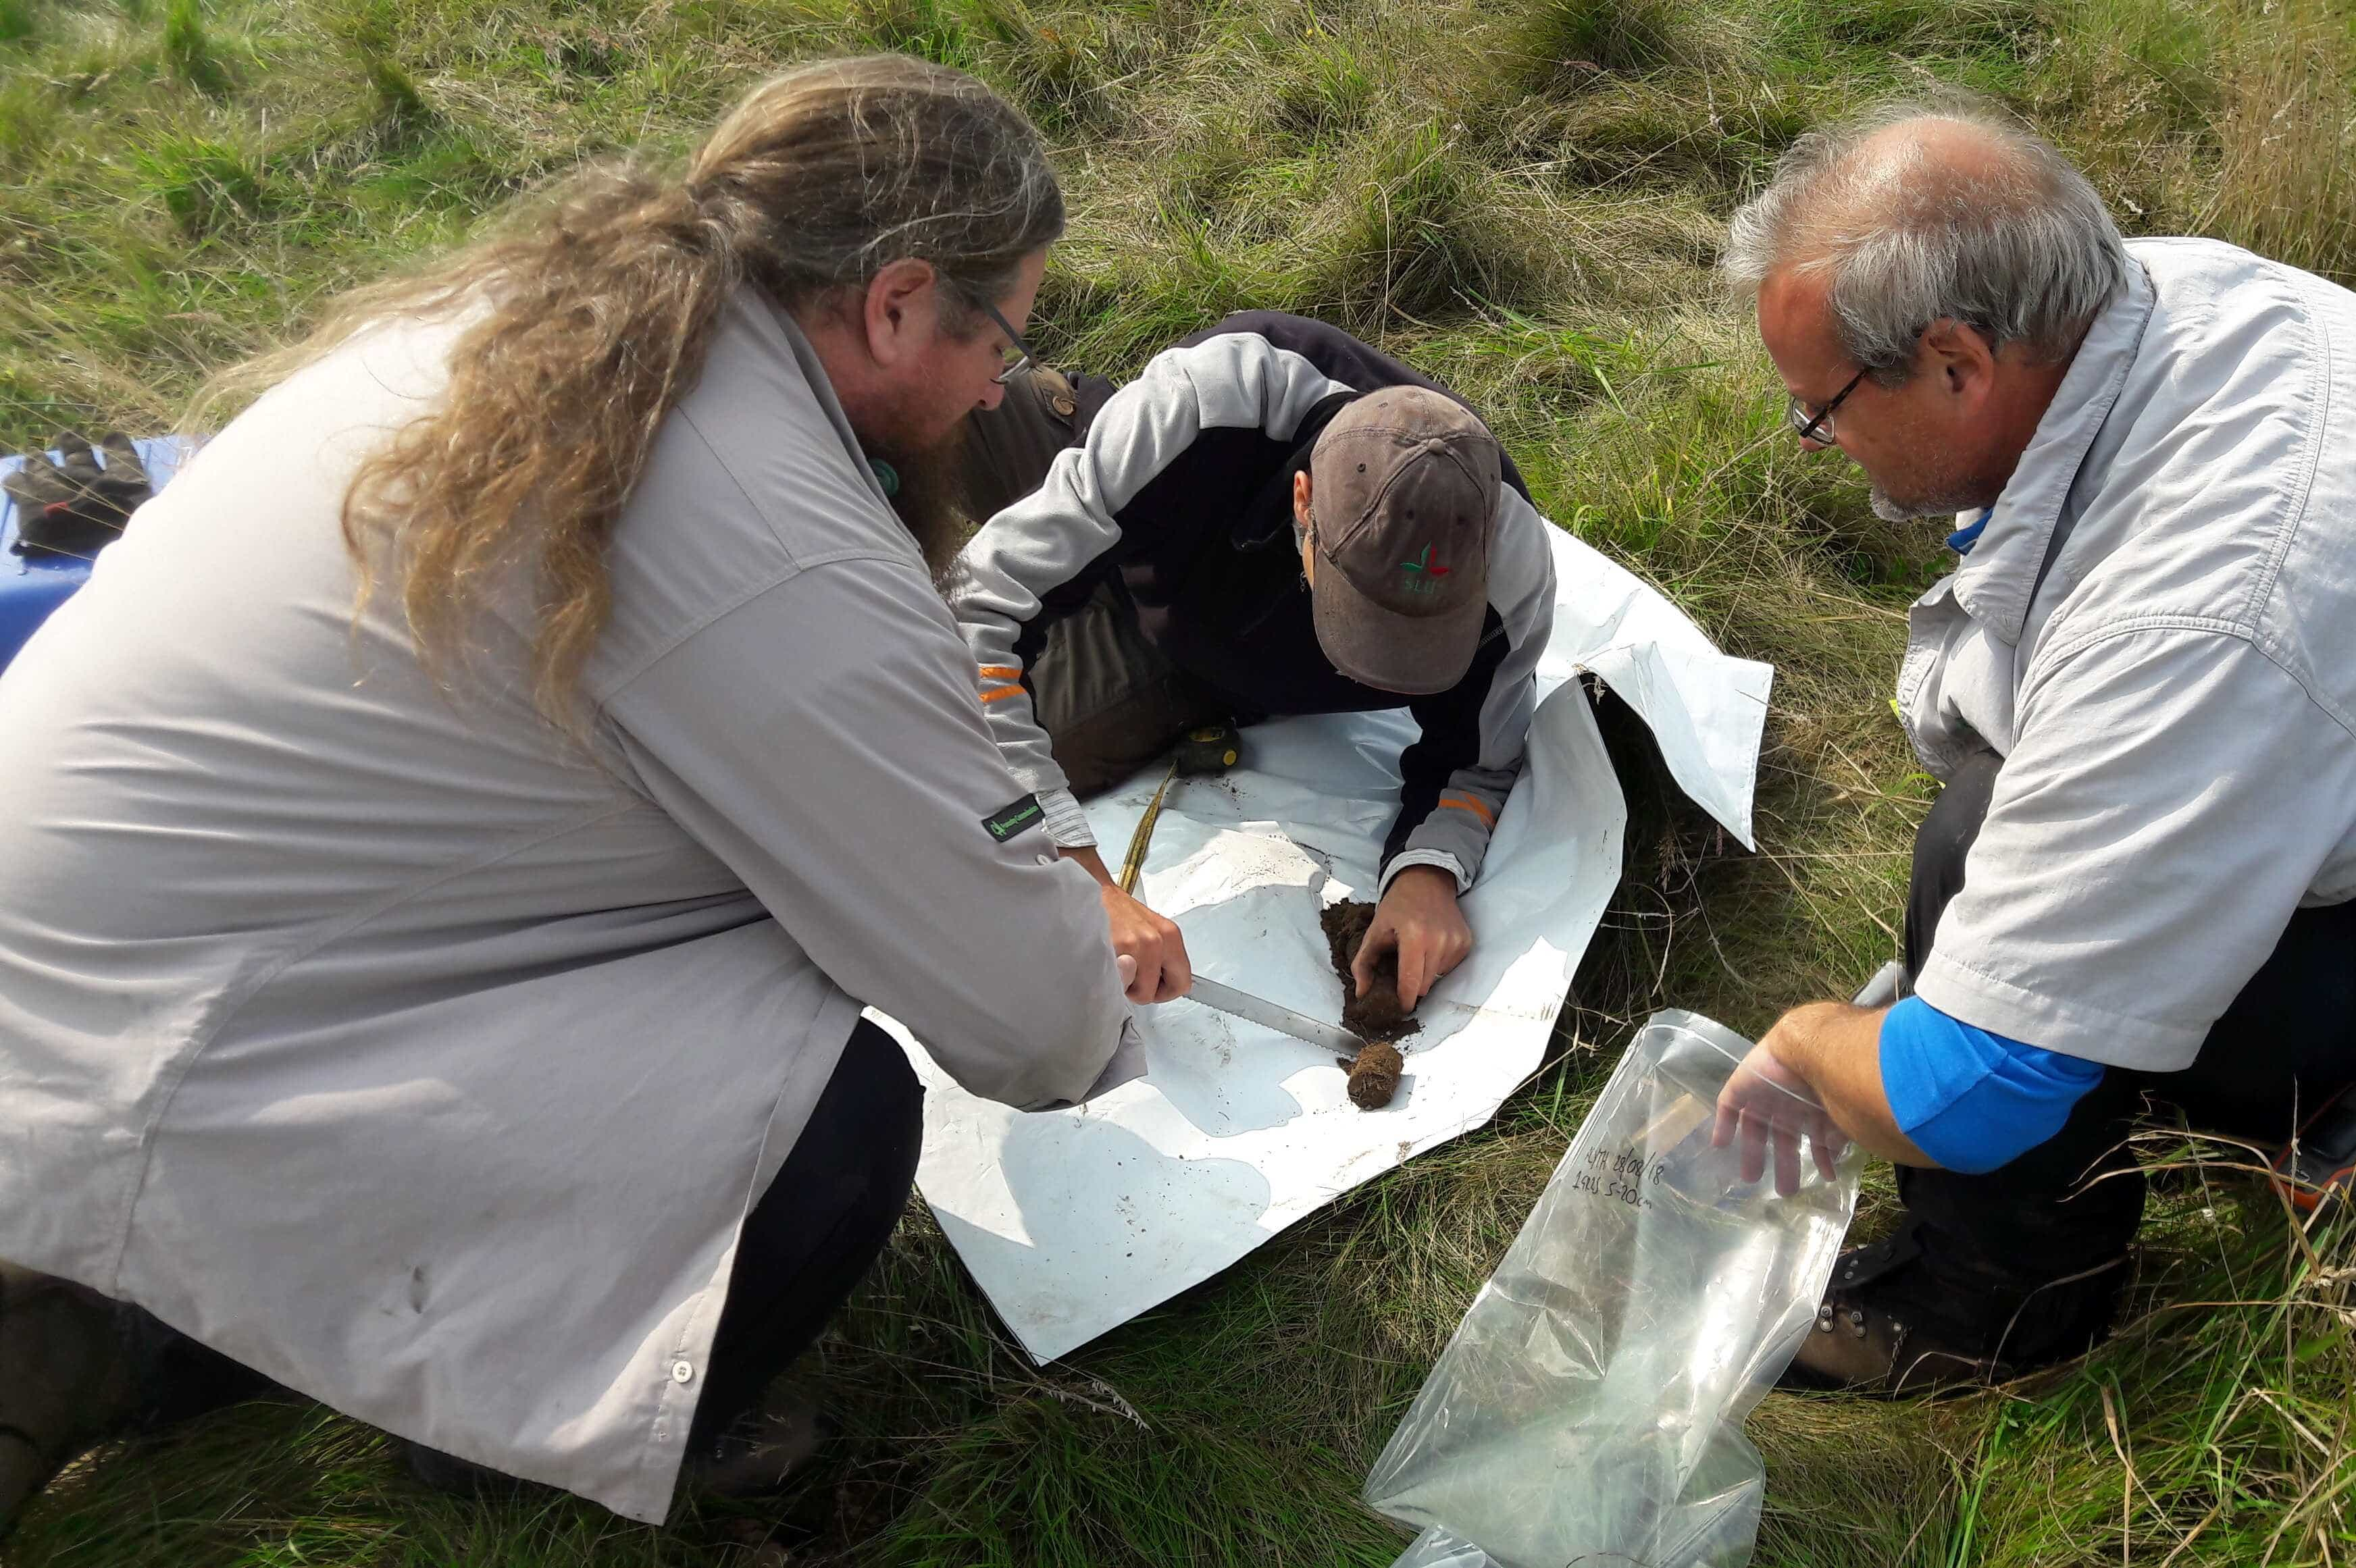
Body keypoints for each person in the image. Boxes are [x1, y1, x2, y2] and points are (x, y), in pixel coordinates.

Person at [0, 57, 1135, 1532]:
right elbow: (1032, 1026)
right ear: (899, 299)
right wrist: (1079, 942)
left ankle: (119, 1319)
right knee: (833, 1117)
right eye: (1002, 335)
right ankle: (468, 1437)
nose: (1001, 385)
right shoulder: (772, 535)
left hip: (91, 952)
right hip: (167, 1033)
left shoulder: (548, 322)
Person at [1706, 98, 2356, 1395]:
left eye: (1816, 408)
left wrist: (1811, 1041)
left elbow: (1963, 1093)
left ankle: (1993, 1308)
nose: (1816, 445)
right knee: (2018, 862)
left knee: (1978, 852)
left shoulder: (2202, 611)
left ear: (1953, 361)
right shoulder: (2166, 297)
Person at [946, 313, 1559, 1014]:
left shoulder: (1511, 575)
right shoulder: (1203, 410)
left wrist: (1429, 872)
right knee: (928, 391)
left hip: (1183, 649)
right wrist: (1073, 870)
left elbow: (1480, 760)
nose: (1375, 665)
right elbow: (979, 609)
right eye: (1360, 620)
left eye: (1415, 642)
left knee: (986, 760)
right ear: (1304, 504)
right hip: (1133, 512)